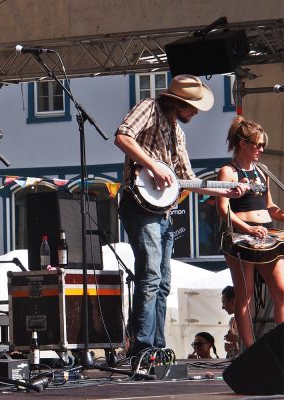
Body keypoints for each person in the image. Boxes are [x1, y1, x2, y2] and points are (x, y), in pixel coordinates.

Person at [115, 75, 247, 357]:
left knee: (162, 282)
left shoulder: (178, 132)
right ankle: (141, 348)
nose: (196, 113)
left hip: (161, 211)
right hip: (138, 204)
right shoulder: (148, 107)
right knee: (150, 275)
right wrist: (153, 166)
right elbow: (122, 136)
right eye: (193, 107)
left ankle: (157, 347)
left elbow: (188, 180)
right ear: (178, 102)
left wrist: (227, 192)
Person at [217, 116, 284, 350]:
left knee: (282, 291)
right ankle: (250, 349)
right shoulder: (228, 171)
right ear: (243, 143)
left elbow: (270, 207)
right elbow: (223, 209)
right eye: (258, 145)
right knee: (244, 297)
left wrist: (281, 214)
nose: (261, 149)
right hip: (241, 238)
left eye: (263, 145)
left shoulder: (262, 171)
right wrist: (247, 228)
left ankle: (281, 344)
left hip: (266, 236)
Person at [221, 285, 239, 358]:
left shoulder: (249, 320)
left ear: (232, 301)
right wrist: (231, 347)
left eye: (223, 302)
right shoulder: (232, 322)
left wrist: (237, 339)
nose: (222, 307)